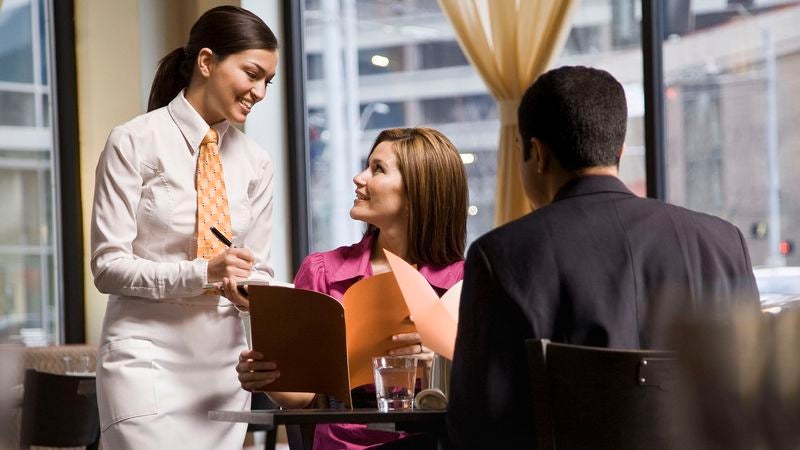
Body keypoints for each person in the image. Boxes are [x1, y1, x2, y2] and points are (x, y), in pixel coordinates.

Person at [446, 66, 760, 449]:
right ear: (620, 151)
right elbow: (752, 399)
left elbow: (479, 427)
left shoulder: (502, 256)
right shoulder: (724, 244)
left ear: (537, 154)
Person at [90, 6, 278, 449]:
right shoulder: (133, 141)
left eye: (269, 81)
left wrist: (250, 290)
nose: (260, 92)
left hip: (222, 369)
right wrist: (203, 273)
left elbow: (261, 270)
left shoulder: (257, 163)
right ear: (207, 61)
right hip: (145, 363)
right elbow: (107, 267)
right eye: (252, 74)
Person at [233, 127, 469, 450]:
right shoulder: (322, 272)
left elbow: (488, 394)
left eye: (378, 169)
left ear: (418, 192)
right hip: (344, 443)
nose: (359, 178)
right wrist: (269, 375)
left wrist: (440, 367)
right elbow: (302, 395)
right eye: (366, 165)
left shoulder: (463, 282)